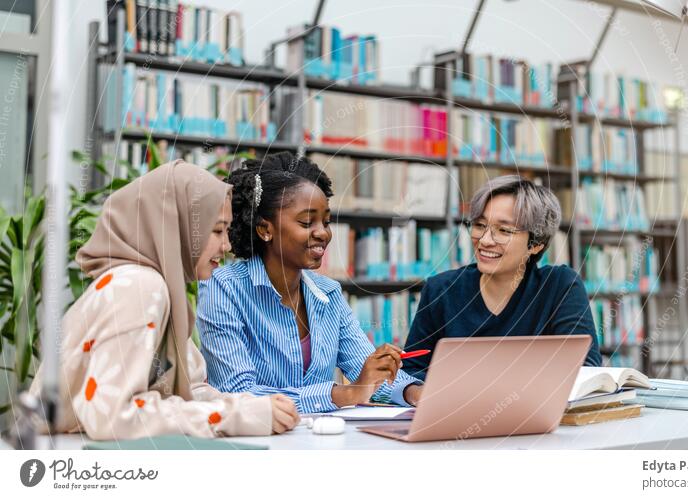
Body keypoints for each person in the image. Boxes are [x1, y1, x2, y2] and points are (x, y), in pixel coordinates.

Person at [29, 160, 299, 440]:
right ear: (176, 226)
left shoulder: (159, 290)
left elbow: (189, 393)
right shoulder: (139, 286)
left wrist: (250, 407)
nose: (227, 246)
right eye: (217, 230)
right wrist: (236, 416)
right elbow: (113, 417)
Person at [196, 152, 423, 413]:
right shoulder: (222, 288)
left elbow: (366, 373)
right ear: (265, 229)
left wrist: (415, 392)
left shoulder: (329, 293)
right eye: (307, 222)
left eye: (326, 221)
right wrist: (344, 393)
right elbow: (237, 393)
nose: (323, 233)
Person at [402, 175, 602, 381]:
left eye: (504, 230)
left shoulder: (560, 286)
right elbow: (412, 369)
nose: (485, 240)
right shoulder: (440, 289)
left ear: (535, 244)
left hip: (537, 410)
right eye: (479, 225)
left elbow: (584, 367)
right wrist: (415, 392)